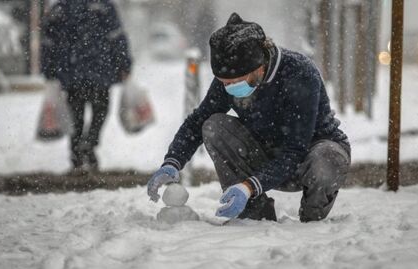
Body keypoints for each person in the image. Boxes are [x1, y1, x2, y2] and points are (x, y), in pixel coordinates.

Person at [147, 13, 350, 222]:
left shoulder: (300, 74)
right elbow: (197, 121)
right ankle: (254, 216)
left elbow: (295, 149)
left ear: (259, 66)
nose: (230, 88)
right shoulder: (229, 77)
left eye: (236, 81)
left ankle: (311, 222)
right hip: (264, 156)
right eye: (224, 82)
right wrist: (172, 161)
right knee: (213, 126)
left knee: (327, 160)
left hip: (308, 157)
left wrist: (249, 187)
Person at [40, 0, 132, 173]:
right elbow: (117, 36)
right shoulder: (104, 6)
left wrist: (49, 69)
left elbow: (48, 42)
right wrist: (124, 64)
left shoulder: (60, 8)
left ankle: (76, 156)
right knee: (101, 110)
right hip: (99, 70)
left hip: (72, 71)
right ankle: (89, 143)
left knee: (76, 114)